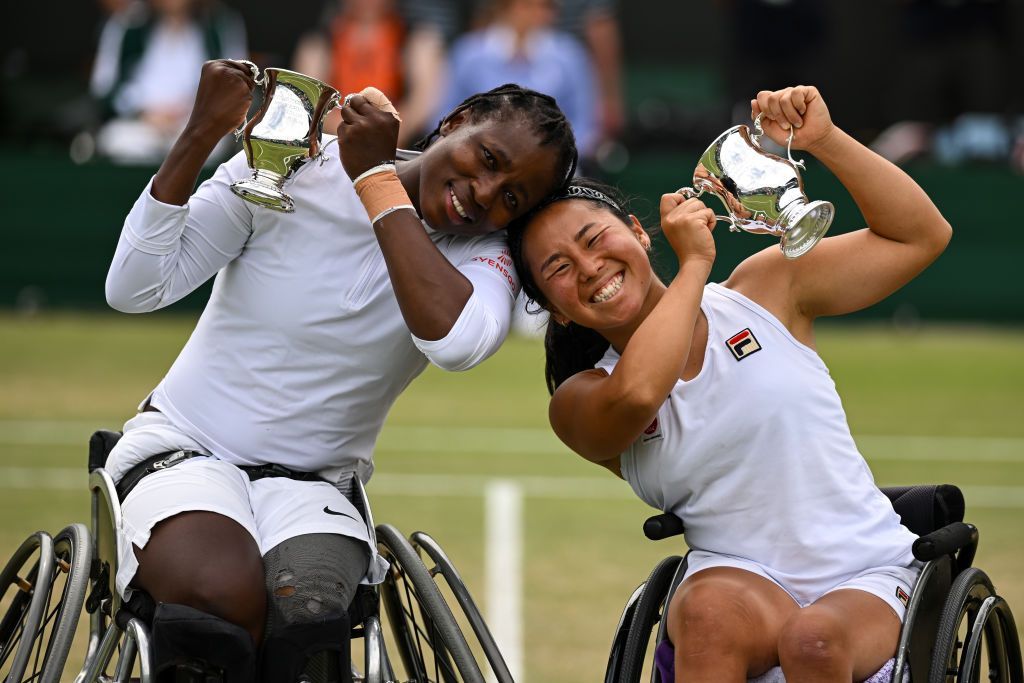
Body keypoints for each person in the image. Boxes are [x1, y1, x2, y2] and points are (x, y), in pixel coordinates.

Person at [103, 58, 577, 680]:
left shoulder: (486, 253)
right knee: (220, 595)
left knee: (312, 618)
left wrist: (377, 178)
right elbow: (136, 287)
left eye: (511, 197)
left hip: (314, 487)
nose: (485, 195)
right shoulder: (296, 160)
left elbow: (457, 343)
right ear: (455, 122)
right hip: (186, 450)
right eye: (487, 159)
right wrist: (199, 132)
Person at [507, 85, 952, 682]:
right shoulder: (580, 402)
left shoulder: (767, 290)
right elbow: (642, 391)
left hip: (867, 572)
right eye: (558, 269)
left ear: (639, 233)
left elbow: (920, 237)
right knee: (710, 620)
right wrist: (692, 265)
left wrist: (822, 140)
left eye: (594, 239)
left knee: (813, 642)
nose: (588, 267)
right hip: (737, 579)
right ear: (555, 310)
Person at [89, 0, 248, 164]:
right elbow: (104, 88)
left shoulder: (219, 25)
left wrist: (191, 111)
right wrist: (143, 112)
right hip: (138, 125)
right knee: (120, 142)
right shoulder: (126, 24)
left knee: (212, 146)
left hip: (193, 124)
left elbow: (236, 85)